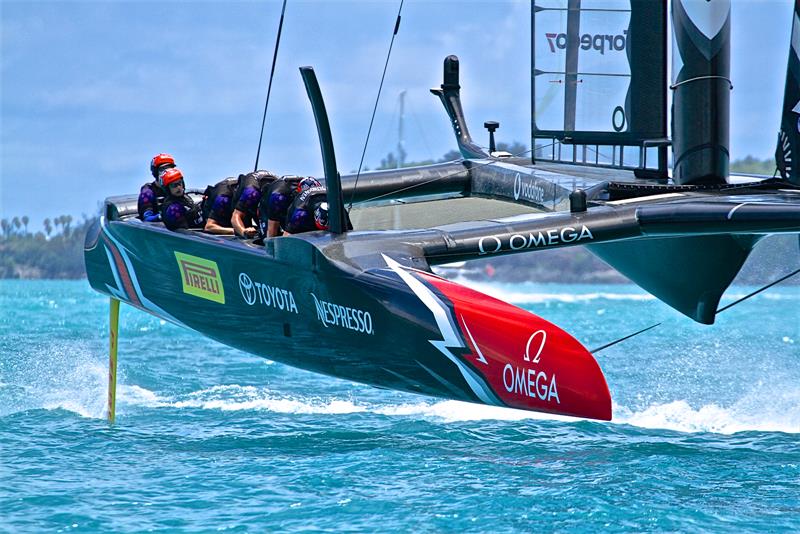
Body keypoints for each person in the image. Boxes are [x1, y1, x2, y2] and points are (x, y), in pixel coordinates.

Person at [230, 170, 278, 238]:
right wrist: (243, 231)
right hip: (250, 191)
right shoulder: (251, 193)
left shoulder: (278, 195)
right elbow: (235, 217)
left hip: (264, 190)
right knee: (244, 226)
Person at [137, 153, 176, 221]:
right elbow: (147, 219)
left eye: (170, 169)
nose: (167, 173)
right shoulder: (147, 192)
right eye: (163, 170)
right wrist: (163, 216)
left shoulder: (176, 187)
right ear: (155, 172)